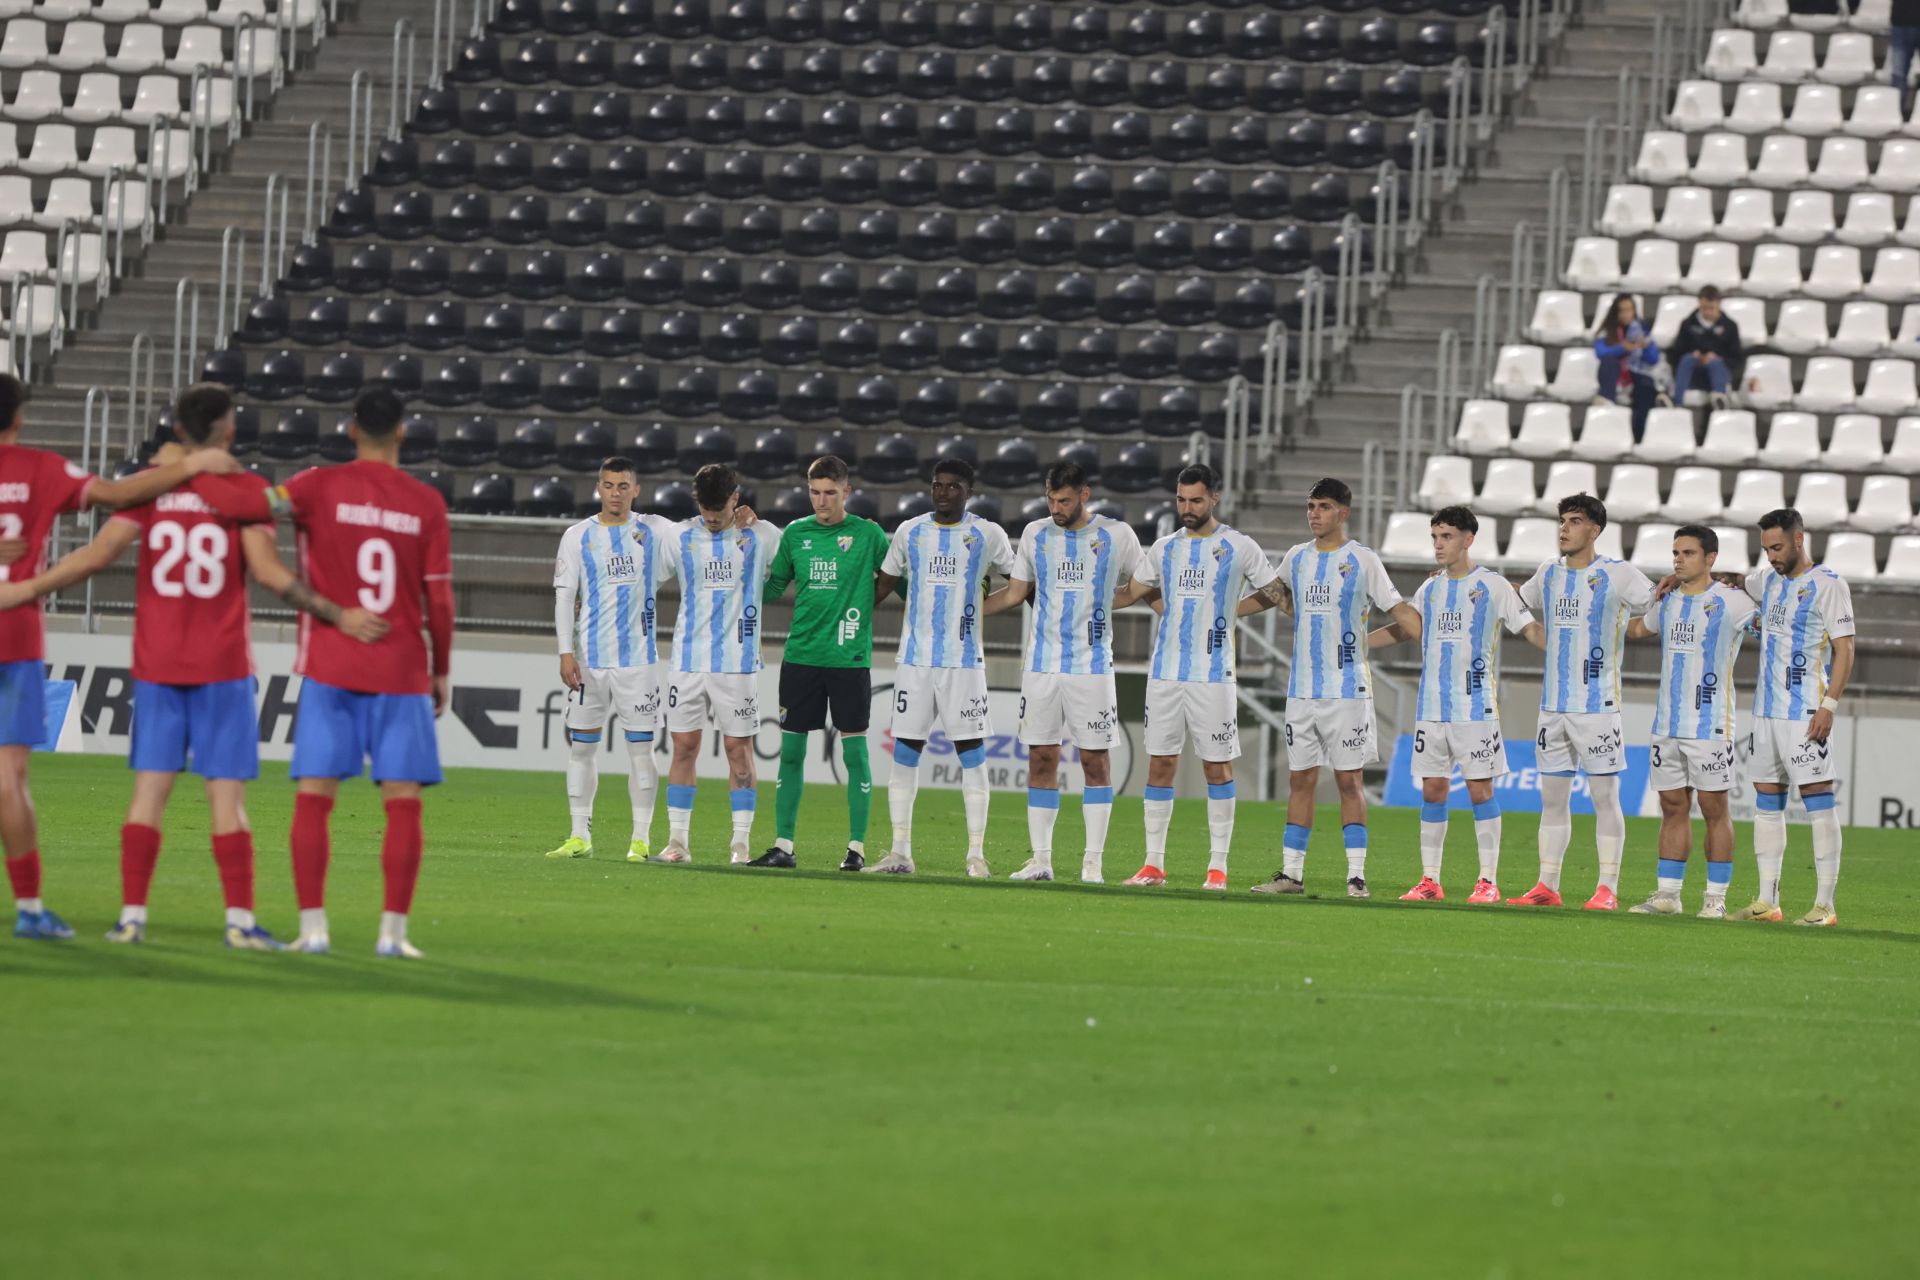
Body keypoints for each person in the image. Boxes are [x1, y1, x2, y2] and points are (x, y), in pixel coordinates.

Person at [0, 384, 384, 947]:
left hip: (157, 662)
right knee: (226, 797)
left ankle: (131, 917)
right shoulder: (248, 492)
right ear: (229, 432)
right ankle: (238, 921)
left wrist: (28, 587)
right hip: (222, 664)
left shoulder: (151, 492)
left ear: (178, 431)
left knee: (148, 792)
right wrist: (334, 614)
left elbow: (97, 555)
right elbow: (270, 574)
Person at [0, 373, 246, 941]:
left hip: (157, 661)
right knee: (10, 777)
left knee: (148, 790)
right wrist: (192, 464)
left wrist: (173, 465)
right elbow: (112, 497)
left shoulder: (136, 486)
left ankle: (117, 914)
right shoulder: (43, 470)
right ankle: (30, 908)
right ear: (19, 417)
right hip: (12, 636)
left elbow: (103, 545)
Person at [276, 389, 454, 959]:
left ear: (351, 430)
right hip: (401, 670)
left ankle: (313, 930)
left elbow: (254, 504)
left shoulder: (310, 486)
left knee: (314, 798)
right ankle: (393, 936)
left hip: (332, 664)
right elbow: (440, 603)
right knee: (403, 803)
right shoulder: (426, 503)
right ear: (402, 432)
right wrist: (441, 669)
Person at [1240, 478, 1421, 899]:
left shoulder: (1363, 560)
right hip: (1302, 689)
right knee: (1299, 780)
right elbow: (1272, 595)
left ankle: (1356, 876)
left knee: (1348, 781)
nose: (1313, 514)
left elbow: (1399, 611)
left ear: (1344, 512)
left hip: (1347, 690)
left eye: (1323, 506)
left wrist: (1424, 637)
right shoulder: (1297, 557)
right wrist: (1228, 610)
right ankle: (1291, 875)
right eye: (1310, 506)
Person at [1110, 463, 1277, 890]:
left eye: (1196, 500)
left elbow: (1275, 592)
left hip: (1213, 675)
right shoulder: (1165, 547)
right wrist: (1090, 599)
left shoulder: (1238, 546)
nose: (1187, 507)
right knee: (1160, 764)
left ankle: (1217, 868)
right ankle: (1153, 865)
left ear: (1214, 499)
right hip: (1165, 673)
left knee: (1217, 767)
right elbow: (1135, 592)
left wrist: (1234, 611)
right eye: (1181, 499)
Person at [1368, 506, 1543, 903]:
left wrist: (1563, 648)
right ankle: (1430, 880)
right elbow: (1405, 630)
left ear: (1468, 539)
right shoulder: (1430, 589)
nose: (1438, 545)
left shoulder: (1493, 587)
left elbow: (1528, 627)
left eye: (1446, 537)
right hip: (1431, 708)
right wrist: (1360, 643)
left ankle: (1488, 881)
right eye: (1434, 537)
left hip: (1475, 708)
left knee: (1481, 791)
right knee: (1432, 790)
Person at [980, 461, 1142, 884]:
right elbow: (1016, 592)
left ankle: (1093, 862)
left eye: (1064, 500)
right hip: (1041, 665)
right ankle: (1041, 860)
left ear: (1084, 495)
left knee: (1094, 761)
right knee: (1041, 757)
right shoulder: (1036, 534)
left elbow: (1142, 586)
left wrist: (1103, 602)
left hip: (1091, 667)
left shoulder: (1117, 536)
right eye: (1051, 499)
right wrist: (969, 611)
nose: (1056, 507)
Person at [1508, 494, 1657, 912]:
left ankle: (1607, 887)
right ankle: (1547, 885)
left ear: (1594, 530)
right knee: (1552, 800)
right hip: (1552, 707)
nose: (1564, 528)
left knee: (1604, 798)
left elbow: (1656, 603)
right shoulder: (1549, 573)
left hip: (1597, 707)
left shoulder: (1618, 573)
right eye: (1562, 521)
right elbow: (1523, 598)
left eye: (1574, 521)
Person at [869, 457, 1016, 876]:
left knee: (971, 753)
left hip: (964, 662)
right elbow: (881, 585)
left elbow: (1019, 581)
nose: (943, 492)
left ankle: (976, 854)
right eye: (938, 485)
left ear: (969, 492)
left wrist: (982, 608)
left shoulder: (987, 534)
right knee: (904, 752)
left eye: (953, 486)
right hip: (915, 660)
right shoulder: (910, 532)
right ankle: (900, 852)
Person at [758, 455, 892, 870]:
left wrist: (864, 603)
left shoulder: (869, 535)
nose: (821, 501)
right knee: (792, 754)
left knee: (855, 756)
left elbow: (897, 579)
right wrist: (741, 555)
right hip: (800, 657)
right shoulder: (796, 534)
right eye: (814, 492)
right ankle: (783, 846)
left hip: (850, 659)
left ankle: (856, 849)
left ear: (847, 492)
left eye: (830, 493)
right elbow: (772, 586)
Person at [545, 456, 675, 865]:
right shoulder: (577, 536)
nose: (615, 493)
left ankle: (640, 839)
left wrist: (737, 517)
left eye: (623, 486)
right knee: (581, 749)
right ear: (597, 488)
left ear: (636, 490)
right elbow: (565, 596)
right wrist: (566, 651)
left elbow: (703, 530)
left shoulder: (655, 530)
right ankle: (578, 834)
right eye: (608, 485)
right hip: (589, 662)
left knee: (641, 750)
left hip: (638, 662)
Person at [1625, 526, 1754, 919]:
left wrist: (1747, 582)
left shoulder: (1733, 602)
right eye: (1675, 552)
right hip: (1667, 723)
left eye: (1688, 553)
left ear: (1710, 558)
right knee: (1672, 806)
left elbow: (1773, 624)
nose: (1678, 559)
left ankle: (1715, 900)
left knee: (1715, 808)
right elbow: (1636, 629)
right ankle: (1668, 895)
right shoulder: (1666, 601)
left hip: (1711, 724)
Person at [1735, 508, 1854, 927]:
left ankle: (1825, 905)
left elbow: (1846, 649)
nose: (1771, 556)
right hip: (1765, 712)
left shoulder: (1828, 584)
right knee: (1767, 803)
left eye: (1778, 547)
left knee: (1818, 802)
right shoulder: (1767, 580)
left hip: (1805, 711)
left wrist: (1830, 706)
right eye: (1766, 548)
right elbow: (1734, 580)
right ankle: (1768, 901)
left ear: (1799, 539)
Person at [661, 464, 780, 865]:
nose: (711, 516)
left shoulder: (762, 536)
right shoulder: (678, 537)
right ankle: (678, 841)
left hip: (738, 664)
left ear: (735, 499)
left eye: (719, 507)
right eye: (704, 508)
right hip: (687, 661)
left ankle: (740, 843)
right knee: (684, 747)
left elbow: (795, 568)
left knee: (738, 751)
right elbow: (644, 577)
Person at [1593, 293, 1660, 441]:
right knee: (1609, 361)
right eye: (1622, 310)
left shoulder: (1642, 329)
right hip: (1614, 376)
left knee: (1646, 389)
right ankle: (1607, 401)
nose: (1626, 314)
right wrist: (1623, 348)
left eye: (1629, 310)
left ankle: (1638, 438)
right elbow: (1600, 352)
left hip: (1636, 374)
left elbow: (1654, 359)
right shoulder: (1607, 330)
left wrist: (1646, 347)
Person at [1666, 285, 1741, 412]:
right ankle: (1676, 401)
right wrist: (1693, 354)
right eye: (1704, 308)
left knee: (1715, 363)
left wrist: (1718, 358)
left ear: (1718, 304)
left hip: (1718, 375)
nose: (1707, 312)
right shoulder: (1688, 324)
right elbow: (1676, 353)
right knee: (1687, 359)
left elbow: (1736, 358)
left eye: (1711, 308)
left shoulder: (1730, 327)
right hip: (1693, 375)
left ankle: (1720, 399)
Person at [1891, 0, 1920, 113]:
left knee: (1899, 74)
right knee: (1899, 75)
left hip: (1901, 22)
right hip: (1901, 21)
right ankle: (1895, 114)